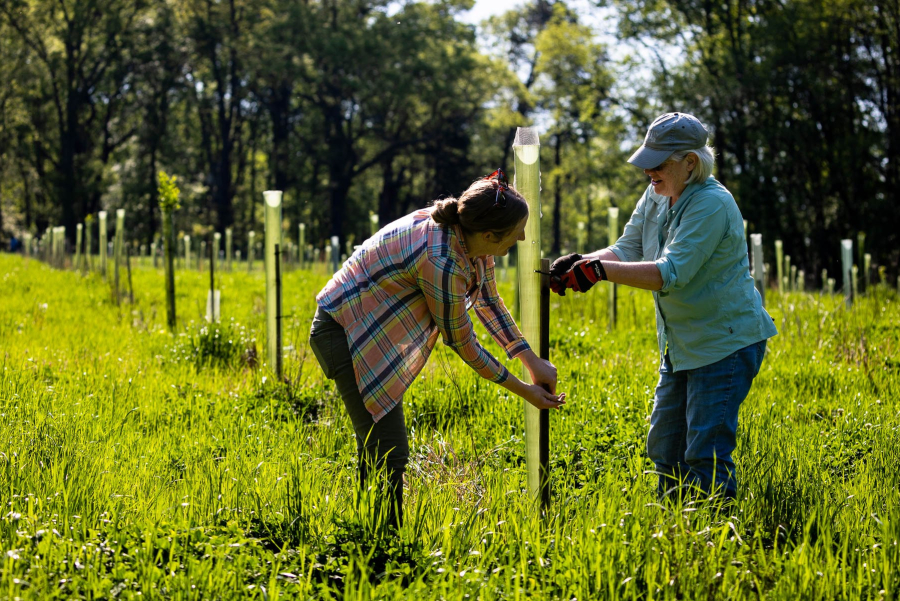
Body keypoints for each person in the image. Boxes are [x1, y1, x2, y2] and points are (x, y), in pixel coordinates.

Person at [309, 169, 565, 527]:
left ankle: (372, 534)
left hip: (369, 330)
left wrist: (531, 360)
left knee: (381, 447)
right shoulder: (440, 259)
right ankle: (379, 549)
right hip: (345, 332)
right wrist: (524, 390)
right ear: (490, 234)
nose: (522, 238)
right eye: (516, 231)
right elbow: (463, 343)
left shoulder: (471, 239)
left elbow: (488, 300)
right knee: (389, 450)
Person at [549, 112, 777, 501]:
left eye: (659, 162)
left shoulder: (712, 204)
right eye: (647, 160)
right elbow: (628, 247)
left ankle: (718, 537)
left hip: (724, 343)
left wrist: (600, 271)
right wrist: (582, 261)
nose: (648, 171)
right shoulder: (657, 193)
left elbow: (670, 272)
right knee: (665, 447)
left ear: (690, 162)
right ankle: (674, 528)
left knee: (705, 452)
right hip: (682, 343)